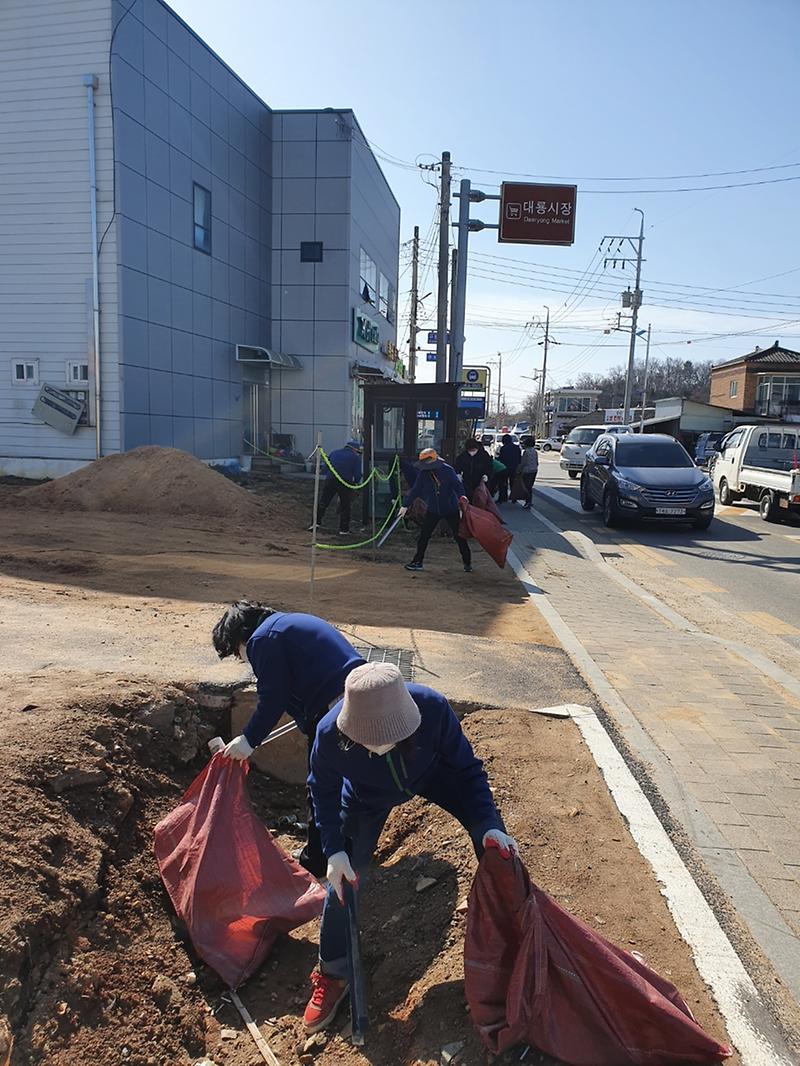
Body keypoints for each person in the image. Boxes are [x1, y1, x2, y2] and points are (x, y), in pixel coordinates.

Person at [302, 662, 517, 1032]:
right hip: (365, 798)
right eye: (368, 742)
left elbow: (467, 771)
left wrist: (488, 825)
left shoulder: (432, 708)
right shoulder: (329, 734)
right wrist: (333, 850)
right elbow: (321, 790)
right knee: (343, 882)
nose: (378, 748)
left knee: (494, 844)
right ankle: (334, 973)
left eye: (388, 739)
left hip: (433, 775)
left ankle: (513, 945)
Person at [212, 601, 366, 877]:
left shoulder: (262, 640)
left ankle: (319, 862)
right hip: (354, 696)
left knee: (322, 785)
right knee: (344, 781)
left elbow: (273, 698)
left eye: (237, 652)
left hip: (336, 707)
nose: (243, 658)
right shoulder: (283, 626)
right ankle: (346, 851)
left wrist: (248, 740)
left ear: (240, 637)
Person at [399, 448, 472, 573]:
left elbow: (457, 485)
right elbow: (416, 489)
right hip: (433, 509)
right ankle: (417, 561)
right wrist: (405, 505)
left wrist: (462, 497)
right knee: (424, 536)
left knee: (459, 536)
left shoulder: (447, 470)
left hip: (450, 508)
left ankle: (467, 562)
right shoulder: (423, 473)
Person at [313, 439, 363, 536]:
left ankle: (315, 523)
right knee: (345, 505)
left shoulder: (334, 453)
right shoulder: (355, 457)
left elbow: (326, 468)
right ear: (355, 449)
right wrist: (356, 483)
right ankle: (344, 529)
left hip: (330, 480)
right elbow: (358, 474)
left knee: (323, 502)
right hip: (345, 482)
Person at [497, 434, 522, 503]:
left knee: (503, 484)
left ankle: (503, 497)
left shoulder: (503, 448)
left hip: (505, 468)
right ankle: (514, 498)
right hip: (514, 468)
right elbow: (519, 458)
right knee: (513, 483)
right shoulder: (517, 448)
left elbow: (501, 459)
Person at [518, 436, 539, 510]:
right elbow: (537, 462)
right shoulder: (535, 451)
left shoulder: (526, 452)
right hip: (534, 470)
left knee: (526, 487)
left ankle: (528, 502)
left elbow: (523, 463)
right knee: (530, 487)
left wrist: (519, 470)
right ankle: (530, 501)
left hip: (527, 471)